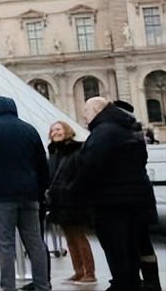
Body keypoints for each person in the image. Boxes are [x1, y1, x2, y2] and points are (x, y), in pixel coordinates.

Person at [74, 97, 158, 291]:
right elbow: (141, 160)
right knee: (132, 247)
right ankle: (136, 283)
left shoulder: (103, 132)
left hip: (111, 202)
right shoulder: (130, 129)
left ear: (96, 111)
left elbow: (88, 165)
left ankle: (124, 284)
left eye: (86, 111)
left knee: (116, 249)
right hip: (136, 198)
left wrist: (78, 190)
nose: (84, 116)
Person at [0, 96, 50, 291]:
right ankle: (43, 284)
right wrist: (41, 191)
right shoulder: (29, 129)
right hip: (29, 194)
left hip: (1, 195)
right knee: (35, 242)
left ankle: (8, 287)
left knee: (4, 245)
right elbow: (42, 164)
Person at [46, 121, 95, 284]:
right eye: (53, 130)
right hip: (59, 201)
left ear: (67, 131)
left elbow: (82, 174)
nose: (55, 132)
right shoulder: (53, 152)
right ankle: (78, 271)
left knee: (79, 236)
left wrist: (70, 188)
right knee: (69, 237)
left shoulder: (77, 150)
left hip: (74, 200)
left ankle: (89, 272)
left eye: (58, 129)